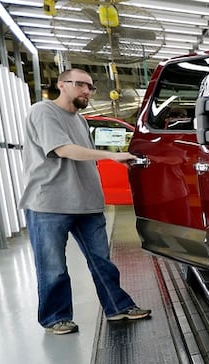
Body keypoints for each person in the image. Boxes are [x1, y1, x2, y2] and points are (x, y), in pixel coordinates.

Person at [19, 68, 151, 335]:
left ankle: (117, 307)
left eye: (90, 87)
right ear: (61, 85)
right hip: (50, 204)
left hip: (87, 203)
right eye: (80, 85)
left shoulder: (80, 120)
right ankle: (56, 317)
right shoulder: (43, 111)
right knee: (53, 267)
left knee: (102, 261)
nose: (86, 91)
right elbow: (62, 150)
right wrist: (111, 156)